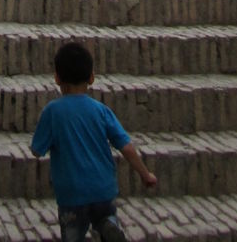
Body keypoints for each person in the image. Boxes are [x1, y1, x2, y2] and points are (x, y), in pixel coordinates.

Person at [31, 40, 157, 242]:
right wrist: (145, 174)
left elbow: (37, 150)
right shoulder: (101, 111)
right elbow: (126, 147)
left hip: (72, 194)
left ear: (56, 78)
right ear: (91, 78)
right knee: (105, 216)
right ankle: (108, 224)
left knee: (72, 234)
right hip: (103, 190)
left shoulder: (52, 112)